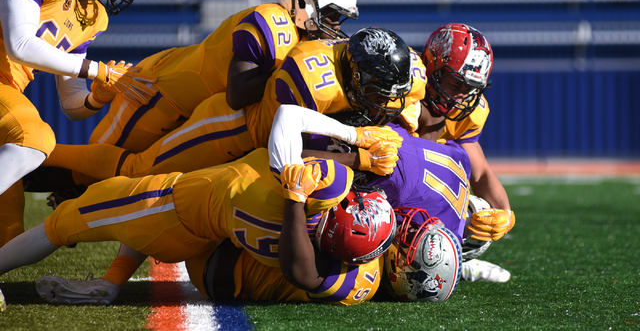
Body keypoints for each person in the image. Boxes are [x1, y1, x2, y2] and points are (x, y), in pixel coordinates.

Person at [0, 105, 401, 308]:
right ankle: (112, 279)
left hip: (174, 209)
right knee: (120, 193)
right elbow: (306, 271)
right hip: (206, 237)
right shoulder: (344, 268)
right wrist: (359, 161)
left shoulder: (312, 189)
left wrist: (356, 141)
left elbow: (287, 118)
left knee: (62, 223)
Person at [40, 27, 422, 181]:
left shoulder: (365, 64)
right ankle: (43, 156)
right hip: (229, 130)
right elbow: (294, 146)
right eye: (376, 92)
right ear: (353, 75)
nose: (385, 102)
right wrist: (359, 153)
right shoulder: (312, 78)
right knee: (138, 170)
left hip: (253, 139)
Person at [0, 0, 156, 247]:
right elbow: (20, 44)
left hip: (8, 91)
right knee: (34, 136)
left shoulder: (91, 15)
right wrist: (97, 70)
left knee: (8, 237)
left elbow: (71, 103)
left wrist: (97, 97)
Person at [396, 23, 514, 282]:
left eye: (470, 88)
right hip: (383, 191)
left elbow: (481, 173)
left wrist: (506, 213)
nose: (462, 96)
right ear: (431, 67)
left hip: (417, 204)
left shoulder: (465, 114)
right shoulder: (402, 90)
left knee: (480, 211)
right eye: (455, 84)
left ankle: (452, 263)